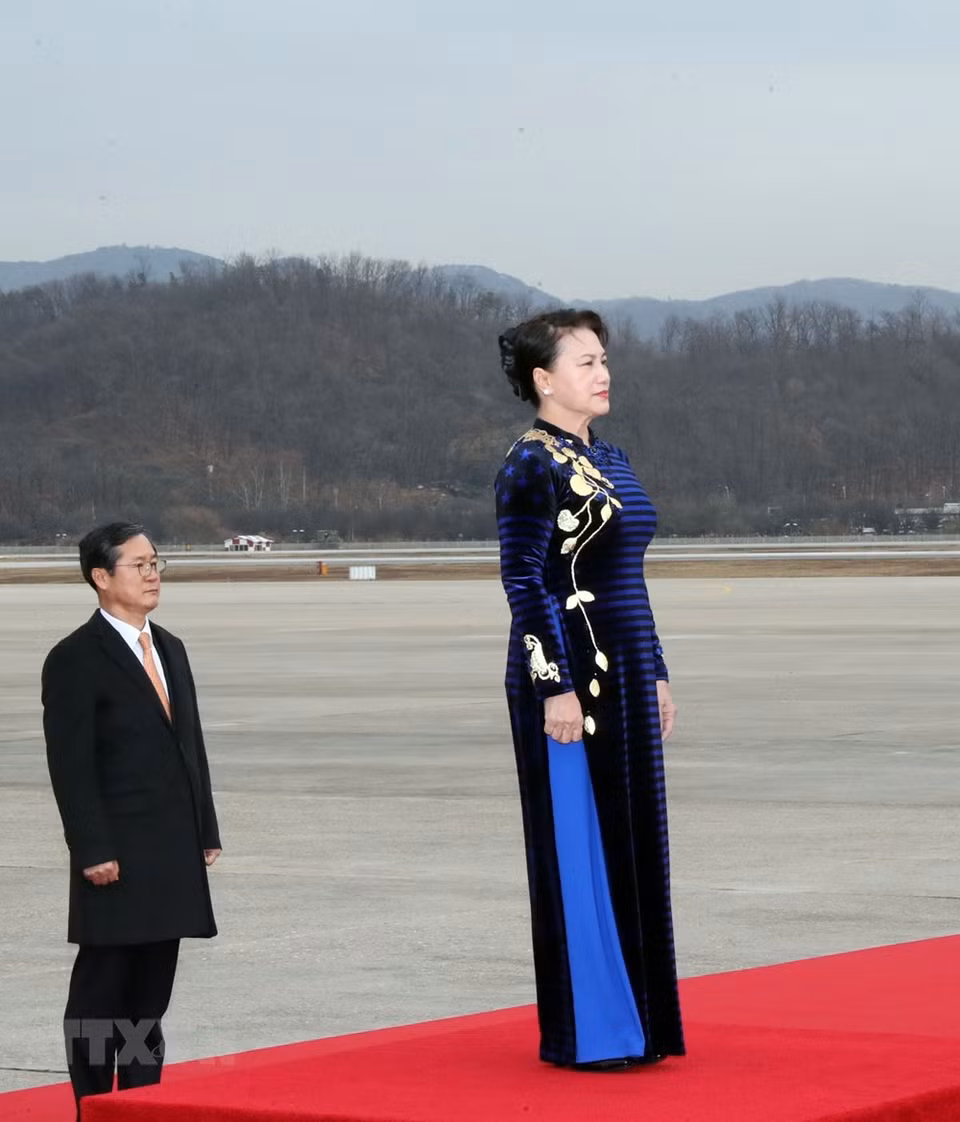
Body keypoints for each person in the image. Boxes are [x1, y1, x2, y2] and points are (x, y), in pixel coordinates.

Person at [494, 309, 683, 1070]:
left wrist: (659, 667)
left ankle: (640, 1022)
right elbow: (524, 581)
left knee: (637, 843)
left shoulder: (614, 457)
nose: (602, 374)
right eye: (584, 363)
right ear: (544, 379)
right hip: (572, 681)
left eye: (604, 360)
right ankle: (594, 1030)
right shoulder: (529, 464)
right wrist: (554, 688)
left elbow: (625, 576)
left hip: (629, 671)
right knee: (584, 849)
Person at [41, 522, 221, 1117]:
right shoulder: (74, 659)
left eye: (155, 563)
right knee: (100, 994)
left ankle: (143, 1103)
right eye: (139, 565)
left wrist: (205, 829)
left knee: (148, 998)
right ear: (101, 576)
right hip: (114, 856)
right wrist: (92, 847)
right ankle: (92, 1103)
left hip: (170, 850)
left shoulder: (170, 646)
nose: (152, 574)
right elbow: (71, 766)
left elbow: (187, 746)